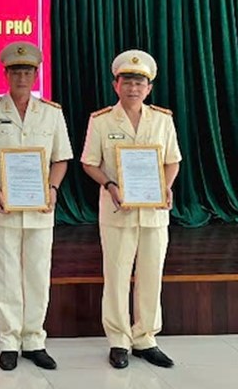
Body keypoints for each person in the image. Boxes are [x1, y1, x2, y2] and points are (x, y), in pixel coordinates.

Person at [0, 42, 73, 371]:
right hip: (1, 207)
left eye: (27, 71)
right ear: (6, 74)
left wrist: (53, 188)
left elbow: (61, 159)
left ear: (36, 75)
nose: (21, 77)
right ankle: (9, 341)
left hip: (40, 209)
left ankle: (34, 340)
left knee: (38, 275)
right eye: (15, 71)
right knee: (6, 275)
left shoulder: (51, 113)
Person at [81, 50, 181, 369]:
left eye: (140, 83)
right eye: (127, 82)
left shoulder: (162, 119)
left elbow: (172, 161)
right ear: (116, 85)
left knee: (152, 273)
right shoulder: (101, 120)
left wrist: (166, 186)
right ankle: (119, 340)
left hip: (153, 211)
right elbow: (89, 162)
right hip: (117, 210)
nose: (133, 88)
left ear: (148, 88)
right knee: (117, 275)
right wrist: (110, 185)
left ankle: (145, 338)